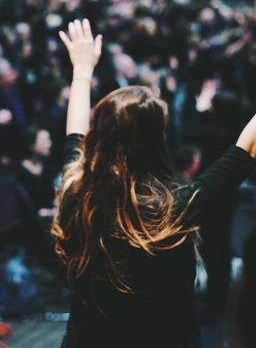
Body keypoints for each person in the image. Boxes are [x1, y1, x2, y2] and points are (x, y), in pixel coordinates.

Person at [52, 19, 256, 348]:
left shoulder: (77, 191)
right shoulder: (172, 209)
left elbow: (74, 133)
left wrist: (82, 70)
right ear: (155, 144)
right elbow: (246, 148)